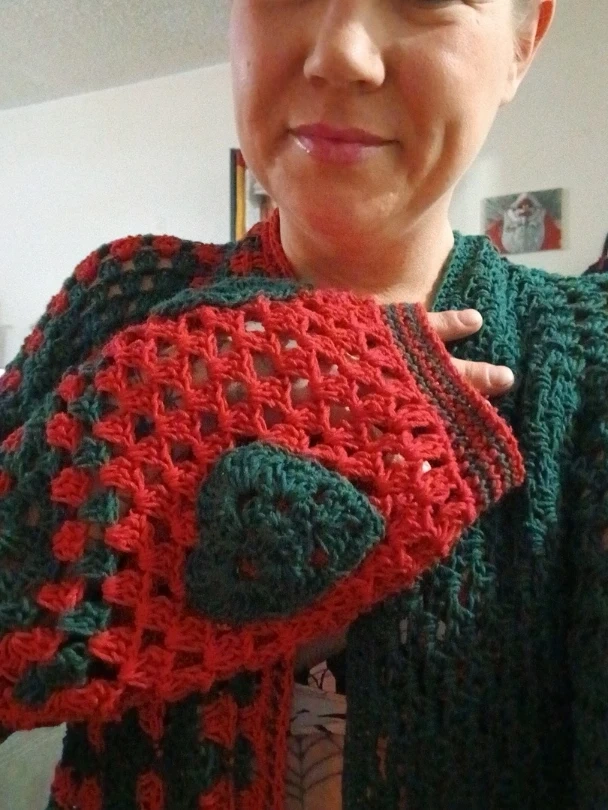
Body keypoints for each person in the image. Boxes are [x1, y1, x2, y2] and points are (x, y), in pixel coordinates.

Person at [0, 1, 607, 808]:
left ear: (523, 41)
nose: (341, 53)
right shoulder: (118, 306)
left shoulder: (590, 364)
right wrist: (181, 408)